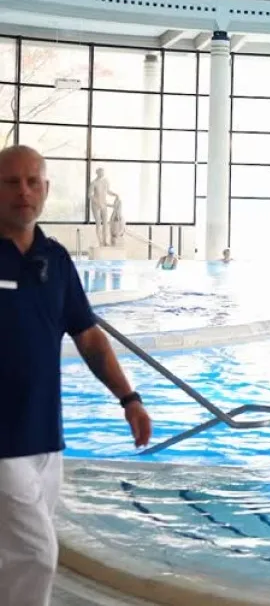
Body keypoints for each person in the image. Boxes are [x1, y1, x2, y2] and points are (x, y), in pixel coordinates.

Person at [0, 145, 152, 606]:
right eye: (11, 182)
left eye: (33, 182)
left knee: (15, 555)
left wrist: (129, 399)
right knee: (38, 555)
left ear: (46, 190)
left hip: (46, 436)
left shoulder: (56, 259)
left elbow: (88, 336)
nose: (23, 192)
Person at [87, 168, 118, 247]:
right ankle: (100, 241)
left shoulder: (106, 181)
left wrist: (115, 194)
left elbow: (108, 191)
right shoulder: (94, 183)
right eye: (100, 172)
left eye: (103, 172)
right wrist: (97, 202)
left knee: (105, 223)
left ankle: (105, 241)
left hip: (103, 203)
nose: (102, 173)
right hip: (95, 205)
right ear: (97, 173)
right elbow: (89, 195)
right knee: (98, 223)